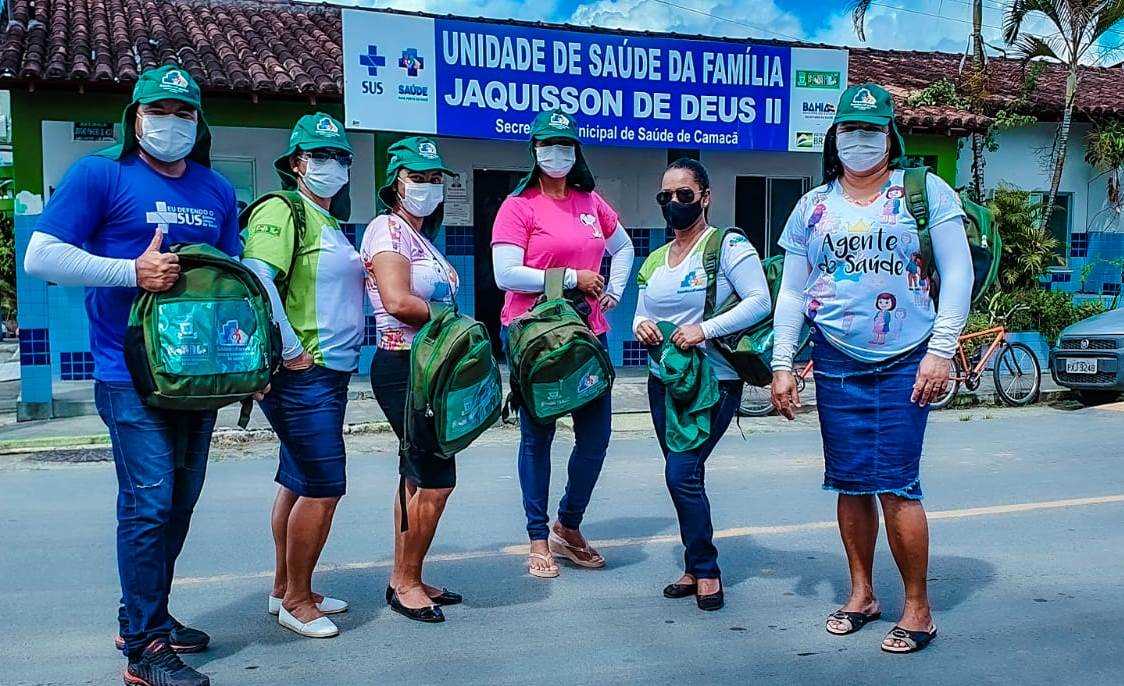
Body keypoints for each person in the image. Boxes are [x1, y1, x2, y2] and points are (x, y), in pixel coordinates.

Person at [24, 66, 239, 686]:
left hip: (199, 378)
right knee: (148, 504)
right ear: (135, 117)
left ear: (198, 122)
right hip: (128, 373)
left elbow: (232, 274)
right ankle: (144, 651)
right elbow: (41, 255)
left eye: (184, 111)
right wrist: (130, 272)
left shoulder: (216, 190)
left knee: (178, 504)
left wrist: (264, 352)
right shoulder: (101, 174)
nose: (171, 121)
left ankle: (145, 617)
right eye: (160, 109)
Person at [770, 83, 973, 653]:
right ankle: (862, 593)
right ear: (835, 137)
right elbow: (792, 291)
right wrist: (782, 362)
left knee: (898, 485)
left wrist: (940, 350)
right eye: (850, 131)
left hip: (908, 356)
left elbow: (957, 274)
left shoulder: (924, 192)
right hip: (834, 356)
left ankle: (918, 608)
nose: (860, 142)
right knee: (849, 480)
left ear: (891, 137)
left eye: (872, 131)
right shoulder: (812, 206)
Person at [491, 109, 635, 578]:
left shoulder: (591, 202)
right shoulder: (519, 206)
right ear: (534, 152)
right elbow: (504, 273)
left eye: (566, 146)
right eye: (548, 145)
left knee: (596, 439)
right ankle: (538, 537)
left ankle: (568, 526)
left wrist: (614, 289)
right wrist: (574, 276)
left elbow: (625, 247)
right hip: (535, 337)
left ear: (576, 153)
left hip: (588, 336)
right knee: (538, 437)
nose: (558, 154)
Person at [242, 113, 365, 639]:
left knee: (296, 481)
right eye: (320, 156)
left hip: (327, 373)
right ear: (296, 164)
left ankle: (284, 588)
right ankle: (298, 601)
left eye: (339, 157)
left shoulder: (327, 220)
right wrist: (292, 350)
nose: (331, 165)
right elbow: (258, 277)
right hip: (303, 374)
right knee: (322, 486)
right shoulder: (283, 208)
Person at [633, 158, 772, 611]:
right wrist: (643, 328)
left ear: (705, 197)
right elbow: (640, 312)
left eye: (684, 195)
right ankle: (694, 565)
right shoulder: (656, 257)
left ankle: (707, 570)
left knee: (680, 473)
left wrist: (704, 329)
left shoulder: (726, 246)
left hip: (714, 381)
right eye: (665, 197)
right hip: (665, 382)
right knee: (687, 475)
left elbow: (759, 301)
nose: (674, 203)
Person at [362, 137, 463, 623]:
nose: (428, 186)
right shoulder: (387, 229)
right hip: (403, 366)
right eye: (417, 177)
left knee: (416, 474)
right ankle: (404, 581)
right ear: (395, 183)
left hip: (427, 367)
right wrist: (454, 321)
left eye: (435, 177)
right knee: (436, 479)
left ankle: (410, 574)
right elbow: (399, 302)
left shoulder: (420, 237)